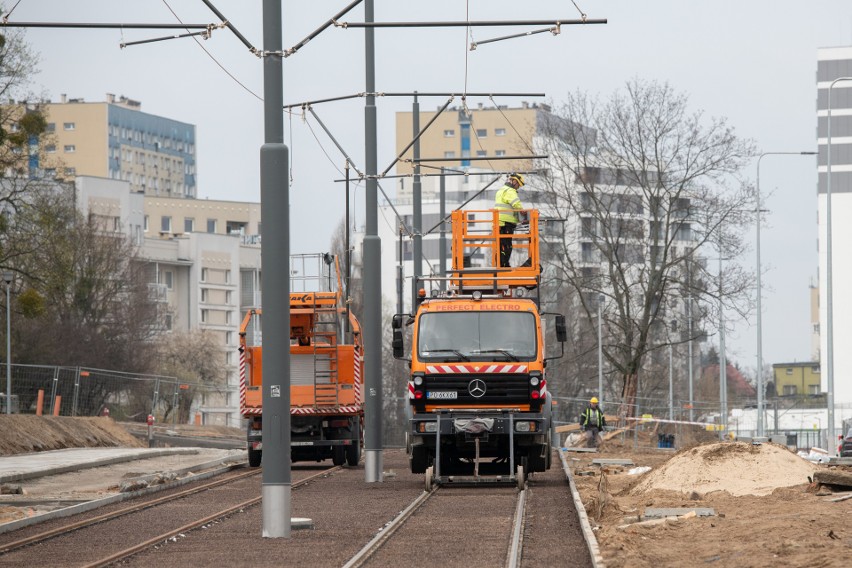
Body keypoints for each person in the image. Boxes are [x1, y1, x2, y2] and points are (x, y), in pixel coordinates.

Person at [494, 172, 526, 267]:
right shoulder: (510, 191)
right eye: (518, 185)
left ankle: (502, 263)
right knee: (507, 246)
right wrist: (522, 211)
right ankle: (504, 264)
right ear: (514, 181)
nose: (518, 187)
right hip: (506, 223)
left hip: (500, 222)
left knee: (502, 245)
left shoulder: (501, 190)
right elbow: (516, 203)